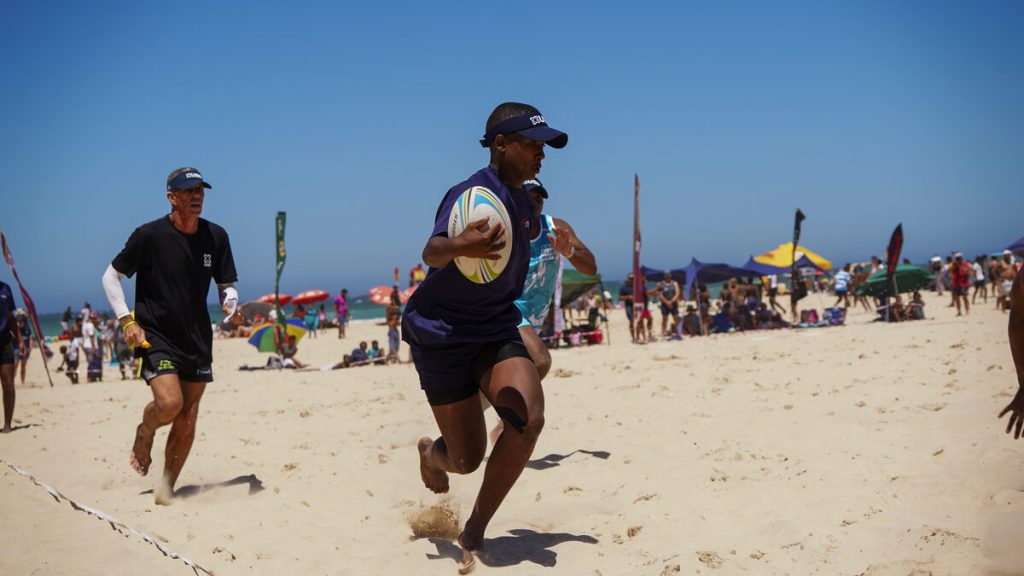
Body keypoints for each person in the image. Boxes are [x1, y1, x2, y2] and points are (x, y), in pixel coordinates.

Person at [402, 102, 566, 569]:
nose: (541, 154)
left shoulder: (522, 200)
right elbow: (431, 251)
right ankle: (430, 455)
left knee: (528, 419)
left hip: (495, 325)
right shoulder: (470, 194)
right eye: (532, 145)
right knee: (465, 457)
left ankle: (474, 529)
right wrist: (458, 246)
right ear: (500, 144)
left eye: (543, 147)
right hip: (443, 334)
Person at [102, 166, 242, 505]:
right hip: (155, 334)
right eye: (188, 191)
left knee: (188, 414)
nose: (197, 196)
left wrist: (231, 303)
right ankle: (145, 430)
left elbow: (226, 285)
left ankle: (166, 488)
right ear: (171, 197)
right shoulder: (149, 235)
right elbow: (110, 277)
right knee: (169, 404)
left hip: (196, 337)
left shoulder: (216, 236)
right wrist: (126, 321)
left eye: (201, 191)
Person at [514, 178, 595, 379]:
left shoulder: (555, 227)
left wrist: (569, 251)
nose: (535, 202)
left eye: (539, 198)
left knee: (519, 371)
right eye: (529, 197)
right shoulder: (508, 228)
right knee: (540, 361)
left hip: (535, 320)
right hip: (508, 312)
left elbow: (591, 267)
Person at [0, 281, 19, 432]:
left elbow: (11, 316)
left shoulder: (6, 288)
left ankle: (7, 424)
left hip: (5, 339)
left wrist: (19, 340)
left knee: (8, 383)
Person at [656, 271, 680, 338]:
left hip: (673, 303)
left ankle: (678, 332)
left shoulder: (675, 283)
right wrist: (667, 302)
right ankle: (663, 332)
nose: (668, 277)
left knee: (676, 319)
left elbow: (677, 293)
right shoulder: (661, 284)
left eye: (669, 276)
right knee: (664, 319)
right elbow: (660, 295)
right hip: (664, 304)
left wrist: (671, 301)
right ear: (664, 276)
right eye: (667, 276)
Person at [13, 311, 31, 386]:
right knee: (15, 365)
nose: (20, 323)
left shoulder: (27, 328)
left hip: (26, 349)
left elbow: (30, 338)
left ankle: (22, 382)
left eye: (21, 322)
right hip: (17, 349)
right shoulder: (15, 329)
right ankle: (12, 381)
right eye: (19, 322)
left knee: (23, 366)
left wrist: (29, 348)